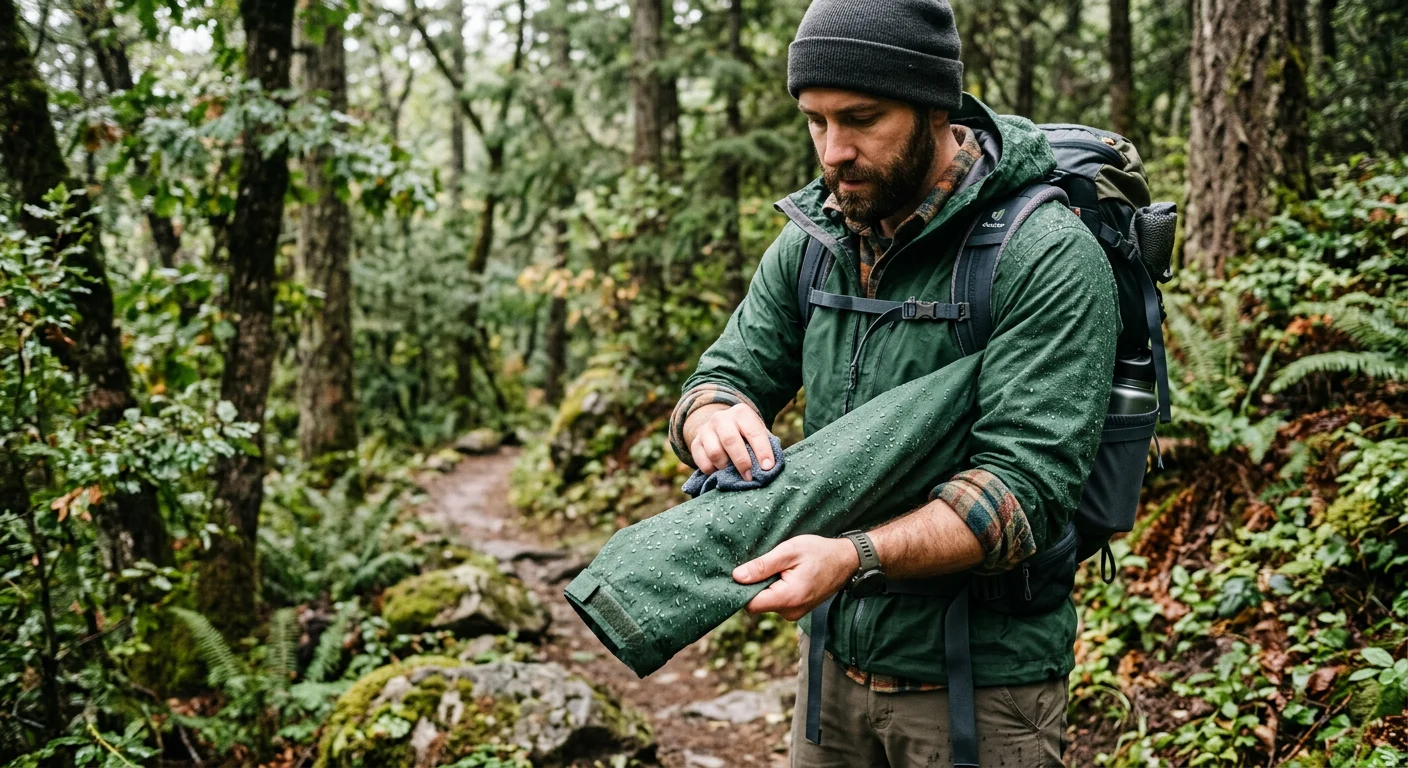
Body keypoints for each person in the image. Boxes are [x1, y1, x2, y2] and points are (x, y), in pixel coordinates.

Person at [665, 0, 1119, 765]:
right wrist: (710, 413)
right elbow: (724, 372)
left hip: (981, 687)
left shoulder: (1043, 254)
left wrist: (851, 556)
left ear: (935, 105)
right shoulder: (815, 240)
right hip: (829, 671)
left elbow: (1022, 495)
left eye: (862, 118)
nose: (833, 151)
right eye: (816, 122)